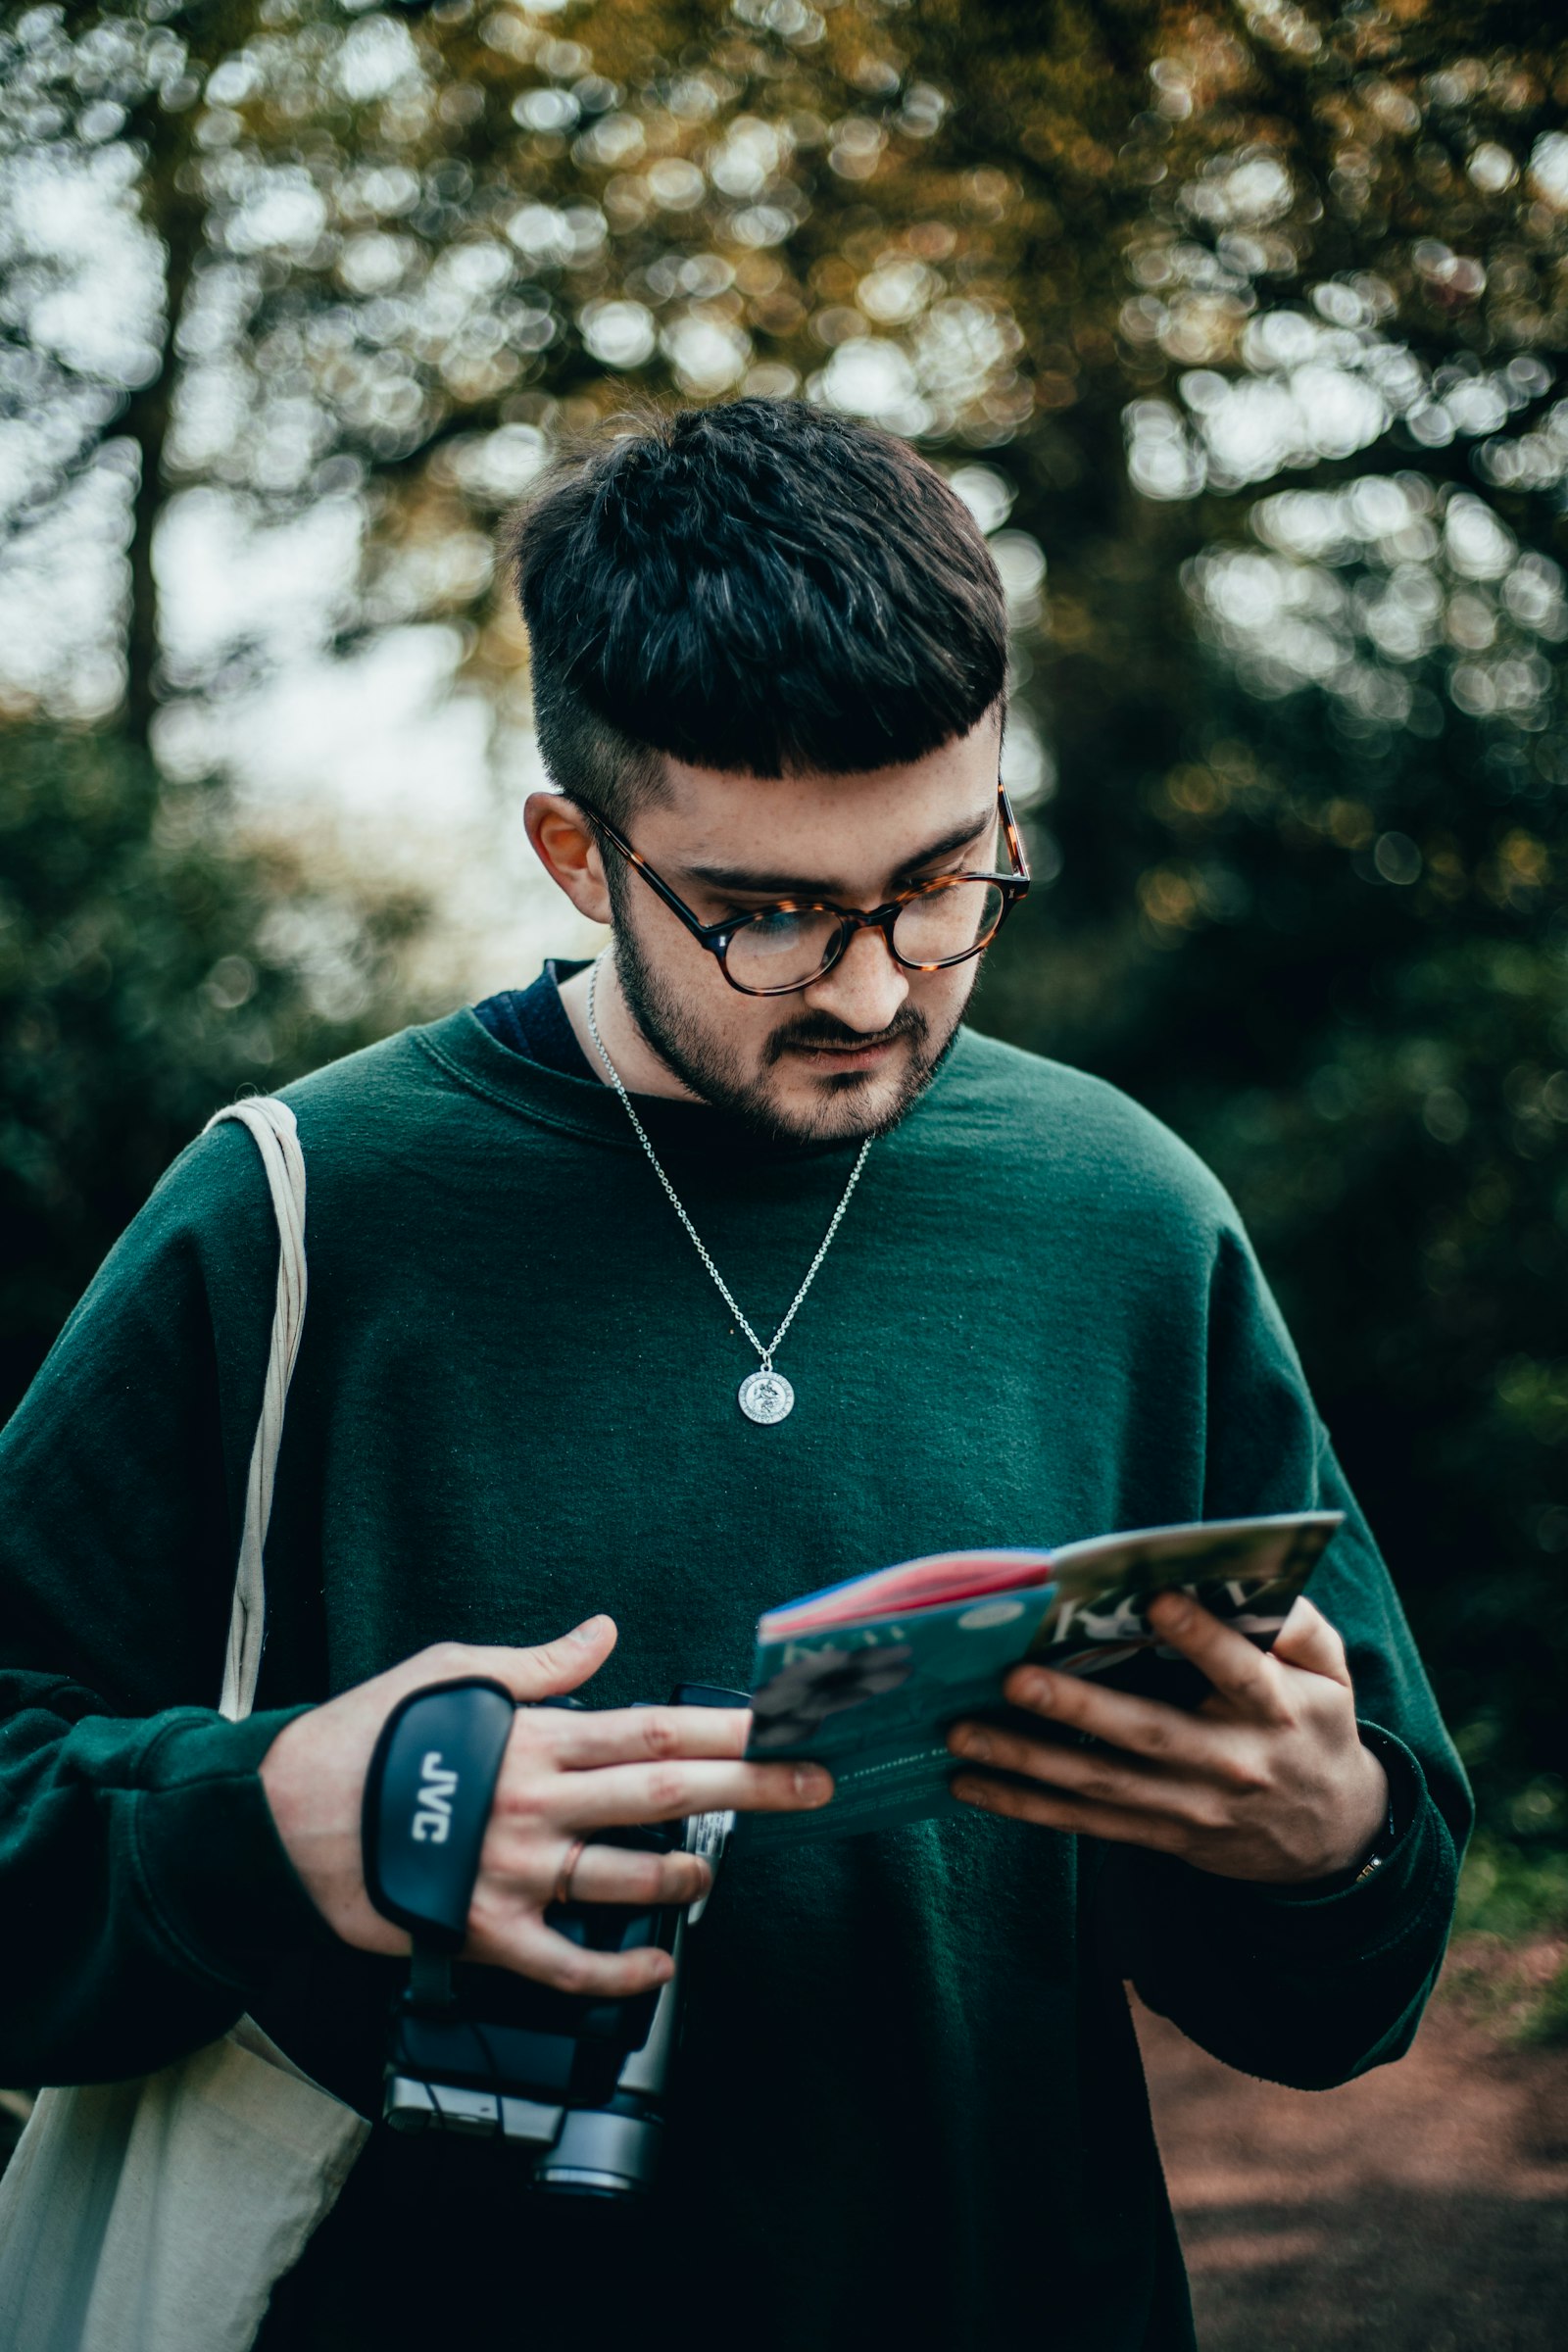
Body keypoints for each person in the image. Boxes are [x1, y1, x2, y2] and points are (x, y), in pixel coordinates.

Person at [0, 400, 1470, 2351]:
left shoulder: (1124, 1213)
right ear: (571, 850)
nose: (873, 988)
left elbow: (1338, 1993)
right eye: (764, 911)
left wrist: (1324, 1845)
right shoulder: (291, 1212)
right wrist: (274, 1821)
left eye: (943, 882)